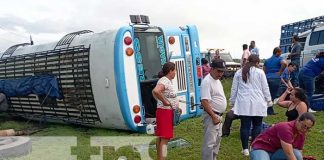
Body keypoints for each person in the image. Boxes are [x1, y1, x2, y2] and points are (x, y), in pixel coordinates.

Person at [230, 54, 272, 156]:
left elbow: (234, 88)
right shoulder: (260, 72)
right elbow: (265, 87)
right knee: (257, 125)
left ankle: (245, 149)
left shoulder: (239, 72)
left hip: (243, 103)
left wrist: (232, 101)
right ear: (257, 63)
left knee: (245, 126)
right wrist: (269, 100)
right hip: (258, 102)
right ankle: (253, 146)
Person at [250, 112, 316, 160]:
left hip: (275, 152)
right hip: (261, 148)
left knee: (297, 154)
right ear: (298, 121)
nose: (305, 129)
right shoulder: (285, 128)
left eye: (308, 128)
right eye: (304, 126)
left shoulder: (302, 133)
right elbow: (289, 153)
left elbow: (299, 151)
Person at [201, 59, 227, 160]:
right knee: (209, 143)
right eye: (218, 71)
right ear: (212, 69)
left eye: (222, 71)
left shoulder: (216, 80)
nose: (221, 74)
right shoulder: (207, 81)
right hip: (213, 116)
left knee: (217, 141)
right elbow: (204, 101)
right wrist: (213, 116)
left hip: (218, 116)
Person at [152, 62, 179, 160]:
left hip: (163, 112)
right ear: (170, 71)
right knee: (165, 138)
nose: (175, 73)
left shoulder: (165, 80)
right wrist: (164, 101)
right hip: (165, 112)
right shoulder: (165, 81)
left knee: (160, 137)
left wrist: (162, 101)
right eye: (175, 70)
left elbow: (155, 92)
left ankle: (160, 158)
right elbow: (156, 91)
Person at [263, 47, 287, 115]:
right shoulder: (279, 58)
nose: (281, 54)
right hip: (275, 79)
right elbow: (285, 63)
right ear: (277, 52)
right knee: (272, 96)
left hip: (267, 78)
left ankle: (266, 109)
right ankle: (269, 110)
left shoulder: (267, 60)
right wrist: (280, 71)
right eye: (280, 52)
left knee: (267, 95)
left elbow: (264, 70)